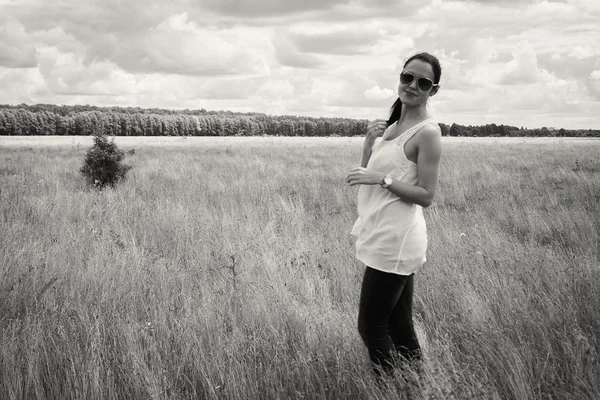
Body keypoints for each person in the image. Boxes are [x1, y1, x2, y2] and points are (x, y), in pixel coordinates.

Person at [346, 52, 442, 379]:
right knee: (399, 327)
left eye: (423, 82)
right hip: (383, 232)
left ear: (434, 90)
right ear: (400, 78)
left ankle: (395, 391)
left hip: (396, 240)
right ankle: (421, 389)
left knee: (371, 328)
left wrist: (383, 180)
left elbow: (426, 196)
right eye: (407, 77)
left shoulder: (428, 133)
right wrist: (368, 143)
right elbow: (369, 172)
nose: (412, 86)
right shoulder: (395, 125)